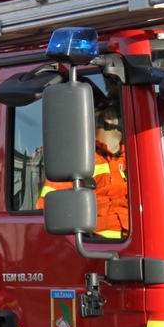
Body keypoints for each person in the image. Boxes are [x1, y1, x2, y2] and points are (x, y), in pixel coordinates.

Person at [37, 102, 129, 239]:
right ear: (108, 116)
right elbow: (48, 211)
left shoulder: (138, 158)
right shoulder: (75, 158)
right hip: (95, 251)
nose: (132, 119)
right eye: (126, 112)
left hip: (143, 246)